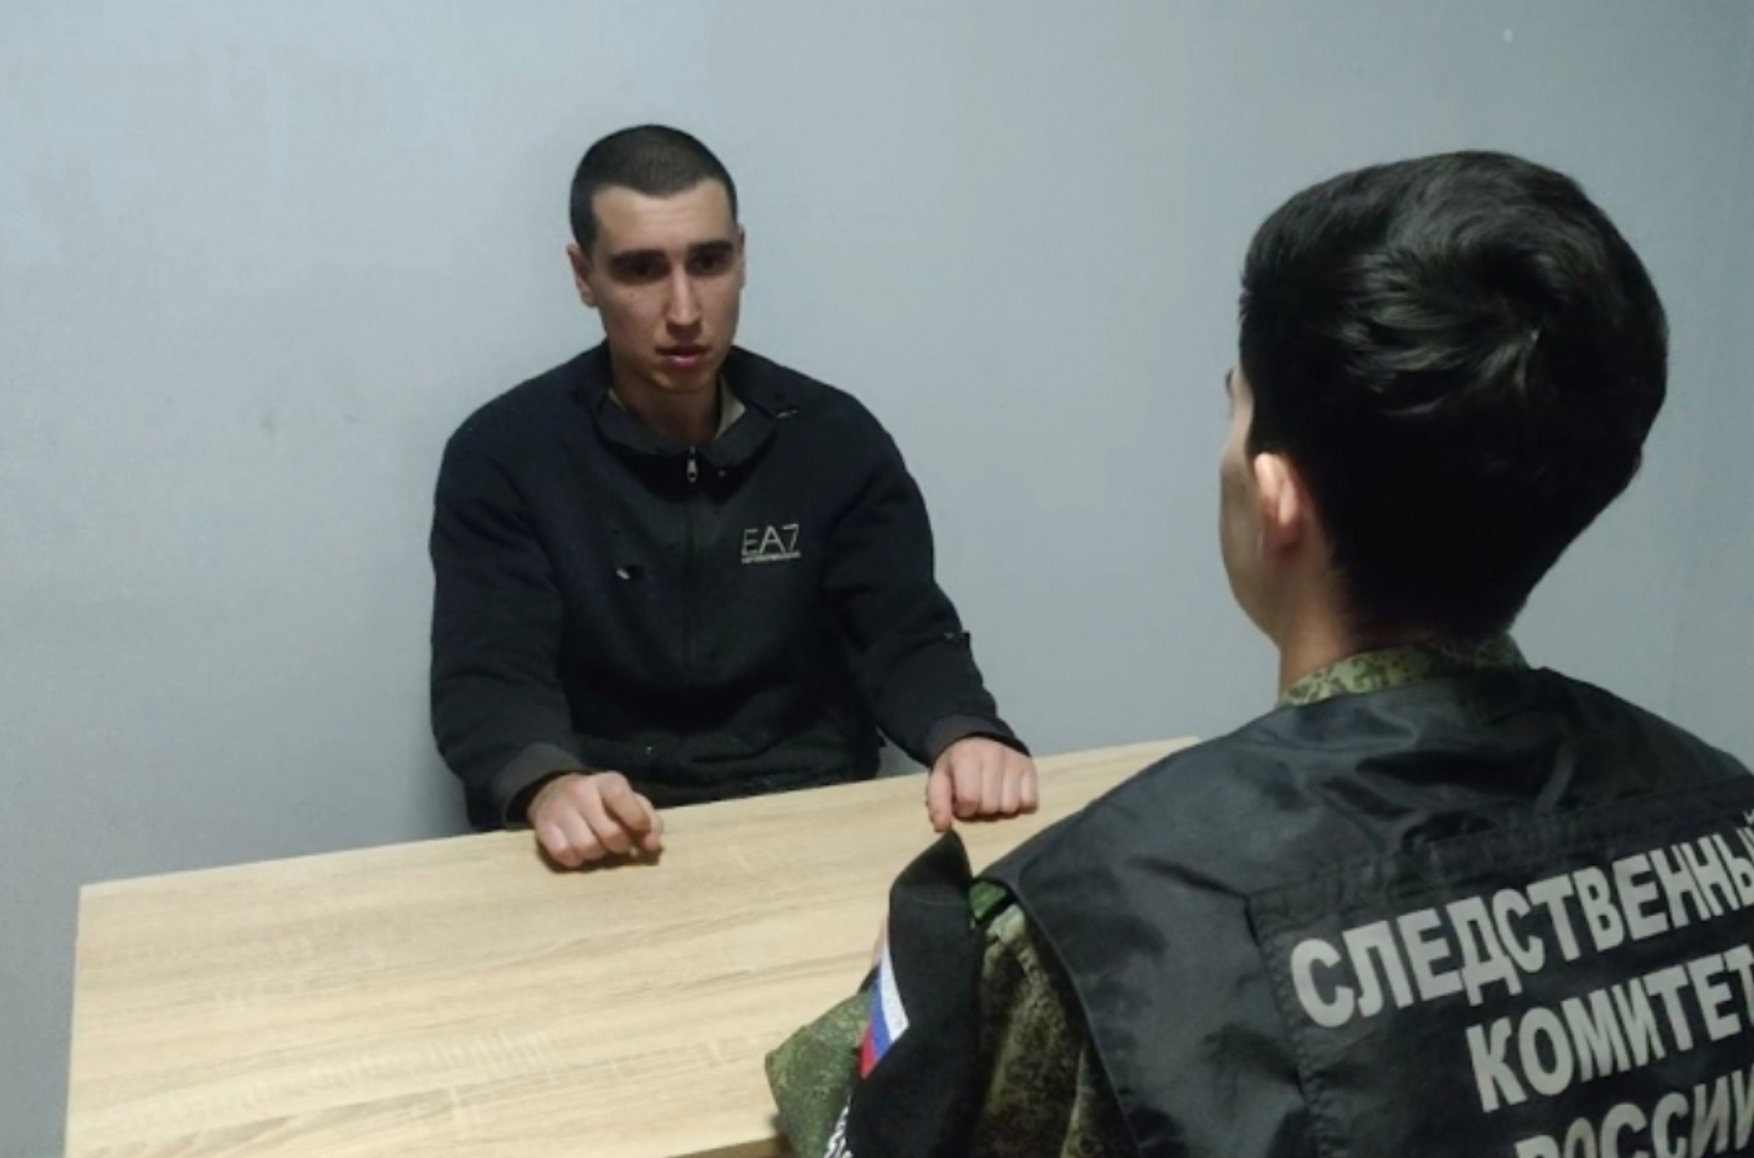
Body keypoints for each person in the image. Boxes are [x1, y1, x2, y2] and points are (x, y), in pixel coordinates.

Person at [768, 151, 1754, 1158]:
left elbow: (864, 1129)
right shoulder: (1728, 819)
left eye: (1234, 408)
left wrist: (912, 990)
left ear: (1276, 498)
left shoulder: (1094, 933)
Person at [431, 125, 1036, 866]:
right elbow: (489, 674)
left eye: (709, 262)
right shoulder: (503, 454)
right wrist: (548, 784)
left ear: (742, 257)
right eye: (641, 270)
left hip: (808, 809)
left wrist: (966, 732)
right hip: (609, 826)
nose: (685, 310)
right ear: (583, 275)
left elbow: (903, 635)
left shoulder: (834, 438)